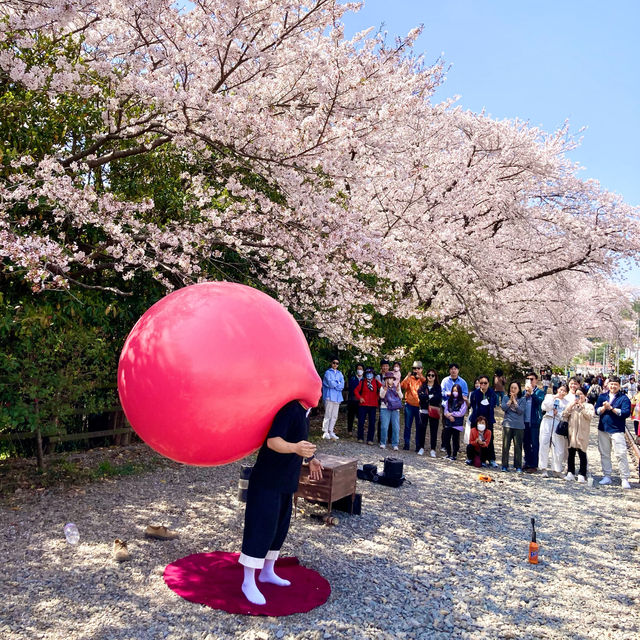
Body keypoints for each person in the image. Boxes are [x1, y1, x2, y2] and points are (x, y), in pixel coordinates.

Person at [239, 399, 324, 605]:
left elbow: (300, 441)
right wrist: (295, 448)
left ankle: (267, 571)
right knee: (261, 527)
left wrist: (311, 458)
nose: (319, 394)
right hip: (268, 479)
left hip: (286, 480)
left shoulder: (305, 412)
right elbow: (273, 441)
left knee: (279, 527)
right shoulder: (290, 409)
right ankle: (248, 581)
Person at [594, 376, 632, 489]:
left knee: (621, 454)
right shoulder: (602, 396)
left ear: (619, 386)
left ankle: (624, 478)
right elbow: (597, 410)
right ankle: (607, 475)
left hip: (617, 429)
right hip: (603, 428)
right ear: (607, 385)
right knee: (604, 453)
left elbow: (625, 413)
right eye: (611, 384)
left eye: (615, 384)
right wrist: (603, 408)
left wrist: (611, 408)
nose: (613, 386)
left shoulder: (624, 398)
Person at [562, 388, 594, 483]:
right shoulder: (572, 405)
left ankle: (582, 474)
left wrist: (582, 407)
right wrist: (571, 406)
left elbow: (590, 416)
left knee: (582, 453)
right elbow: (564, 415)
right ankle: (570, 472)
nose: (579, 396)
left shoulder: (589, 406)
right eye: (577, 394)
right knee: (571, 453)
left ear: (585, 395)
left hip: (582, 433)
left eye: (581, 394)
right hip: (572, 432)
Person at [538, 384, 570, 477]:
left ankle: (557, 470)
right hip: (547, 420)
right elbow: (544, 407)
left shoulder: (566, 402)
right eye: (561, 390)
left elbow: (566, 414)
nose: (562, 392)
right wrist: (554, 398)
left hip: (558, 423)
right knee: (544, 444)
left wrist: (558, 414)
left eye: (564, 390)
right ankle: (543, 468)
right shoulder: (549, 396)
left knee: (558, 447)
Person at [469, 375, 498, 467]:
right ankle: (472, 458)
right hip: (476, 419)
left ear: (488, 383)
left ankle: (491, 459)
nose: (483, 385)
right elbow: (473, 406)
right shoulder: (474, 394)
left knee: (489, 439)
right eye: (481, 383)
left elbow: (494, 405)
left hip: (488, 419)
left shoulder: (492, 393)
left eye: (485, 383)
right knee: (474, 438)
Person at [441, 363, 469, 451]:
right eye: (452, 369)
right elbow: (441, 392)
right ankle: (444, 445)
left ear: (458, 370)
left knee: (456, 428)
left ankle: (455, 448)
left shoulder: (463, 382)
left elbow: (465, 394)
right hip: (446, 406)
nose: (453, 370)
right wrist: (448, 394)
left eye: (455, 369)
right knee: (446, 427)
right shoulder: (445, 380)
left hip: (458, 407)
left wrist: (458, 396)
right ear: (449, 370)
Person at [522, 372, 546, 472]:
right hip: (524, 421)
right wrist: (526, 396)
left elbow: (540, 402)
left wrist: (532, 393)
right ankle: (527, 461)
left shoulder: (539, 392)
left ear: (536, 380)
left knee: (534, 443)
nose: (530, 381)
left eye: (532, 379)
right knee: (526, 442)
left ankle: (534, 464)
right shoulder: (524, 392)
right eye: (528, 379)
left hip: (535, 421)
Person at [501, 381, 526, 472]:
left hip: (519, 426)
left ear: (519, 389)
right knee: (505, 446)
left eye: (515, 388)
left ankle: (518, 466)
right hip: (507, 424)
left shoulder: (522, 399)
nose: (513, 390)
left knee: (518, 446)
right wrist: (509, 401)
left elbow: (520, 411)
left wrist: (515, 401)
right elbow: (504, 408)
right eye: (512, 387)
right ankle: (504, 465)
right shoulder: (505, 397)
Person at [401, 361, 426, 451]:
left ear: (421, 369)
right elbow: (402, 386)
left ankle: (418, 446)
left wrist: (421, 376)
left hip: (419, 406)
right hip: (409, 405)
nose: (416, 370)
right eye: (414, 368)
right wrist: (407, 376)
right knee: (408, 426)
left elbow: (427, 384)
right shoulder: (410, 378)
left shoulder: (423, 380)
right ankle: (406, 444)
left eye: (418, 368)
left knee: (419, 427)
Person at [417, 369, 442, 457]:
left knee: (434, 430)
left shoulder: (438, 387)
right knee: (422, 430)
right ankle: (421, 448)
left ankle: (433, 449)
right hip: (424, 410)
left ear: (435, 377)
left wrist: (427, 397)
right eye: (429, 375)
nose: (430, 377)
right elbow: (420, 396)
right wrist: (430, 396)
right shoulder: (423, 386)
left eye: (432, 375)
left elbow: (438, 398)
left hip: (434, 410)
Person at [354, 367, 381, 444]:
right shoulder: (362, 382)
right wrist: (360, 398)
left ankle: (370, 439)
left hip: (373, 405)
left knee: (372, 422)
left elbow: (382, 388)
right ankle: (360, 437)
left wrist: (378, 397)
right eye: (368, 374)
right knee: (361, 421)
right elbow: (356, 390)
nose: (369, 375)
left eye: (371, 374)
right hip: (363, 404)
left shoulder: (376, 382)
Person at [442, 383, 467, 461]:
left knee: (455, 440)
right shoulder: (448, 401)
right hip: (448, 423)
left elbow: (461, 413)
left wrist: (452, 414)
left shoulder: (462, 402)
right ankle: (448, 453)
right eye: (453, 390)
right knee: (447, 439)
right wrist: (449, 416)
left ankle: (454, 455)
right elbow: (445, 411)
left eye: (456, 391)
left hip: (457, 424)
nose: (454, 392)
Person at [321, 358, 344, 440]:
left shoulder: (340, 373)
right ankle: (325, 431)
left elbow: (342, 385)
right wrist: (338, 383)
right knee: (328, 414)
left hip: (337, 397)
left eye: (337, 363)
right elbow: (330, 384)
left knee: (334, 415)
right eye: (334, 362)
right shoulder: (328, 372)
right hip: (329, 396)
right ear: (331, 363)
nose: (335, 364)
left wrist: (336, 383)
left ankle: (331, 431)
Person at [379, 372, 402, 451]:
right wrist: (385, 389)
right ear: (385, 380)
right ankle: (383, 443)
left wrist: (398, 390)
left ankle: (395, 444)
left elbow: (401, 396)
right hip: (385, 408)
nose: (389, 380)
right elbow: (381, 396)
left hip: (395, 409)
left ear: (393, 379)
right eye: (387, 378)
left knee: (396, 427)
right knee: (384, 426)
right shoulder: (382, 387)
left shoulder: (397, 387)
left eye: (391, 378)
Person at [375, 359, 391, 443]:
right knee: (381, 418)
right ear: (381, 367)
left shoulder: (392, 375)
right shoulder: (378, 376)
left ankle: (390, 438)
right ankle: (380, 437)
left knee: (391, 419)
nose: (385, 367)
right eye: (383, 366)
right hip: (381, 399)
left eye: (387, 366)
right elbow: (379, 386)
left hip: (391, 400)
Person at [346, 364, 364, 435]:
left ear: (363, 370)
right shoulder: (353, 378)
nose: (359, 370)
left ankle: (360, 431)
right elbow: (351, 389)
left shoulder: (364, 379)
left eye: (361, 369)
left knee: (361, 417)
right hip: (352, 400)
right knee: (350, 416)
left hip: (361, 401)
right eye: (358, 369)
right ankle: (349, 430)